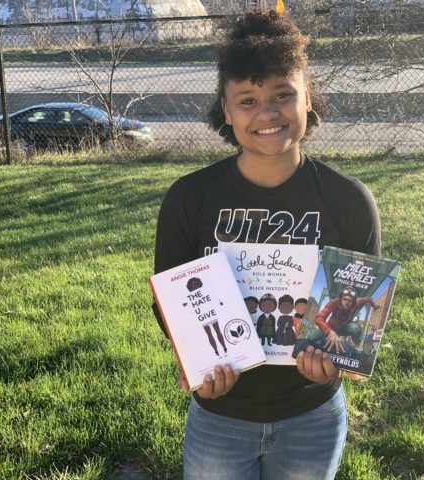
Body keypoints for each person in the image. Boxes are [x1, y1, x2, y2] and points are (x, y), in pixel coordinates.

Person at [153, 10, 381, 479]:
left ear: (307, 97)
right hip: (220, 414)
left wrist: (338, 363)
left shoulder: (348, 200)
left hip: (312, 416)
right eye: (248, 99)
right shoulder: (189, 197)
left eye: (282, 95)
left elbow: (361, 311)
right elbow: (169, 305)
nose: (267, 113)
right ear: (226, 107)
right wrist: (197, 362)